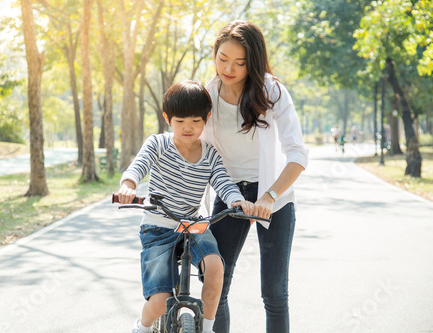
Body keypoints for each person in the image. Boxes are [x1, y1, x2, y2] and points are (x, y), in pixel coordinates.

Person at [116, 80, 255, 333]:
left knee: (215, 268)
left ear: (207, 118)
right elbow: (138, 166)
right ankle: (142, 326)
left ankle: (209, 328)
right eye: (180, 121)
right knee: (159, 302)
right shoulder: (158, 144)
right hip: (158, 226)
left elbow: (223, 181)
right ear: (167, 118)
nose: (188, 128)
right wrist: (129, 185)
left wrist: (236, 200)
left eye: (195, 121)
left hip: (193, 224)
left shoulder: (210, 154)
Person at [200, 21, 309, 332]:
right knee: (215, 286)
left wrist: (269, 197)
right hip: (230, 195)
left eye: (240, 62)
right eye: (222, 59)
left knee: (274, 294)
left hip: (274, 197)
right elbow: (197, 149)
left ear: (254, 61)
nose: (228, 68)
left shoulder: (272, 91)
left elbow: (297, 154)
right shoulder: (207, 96)